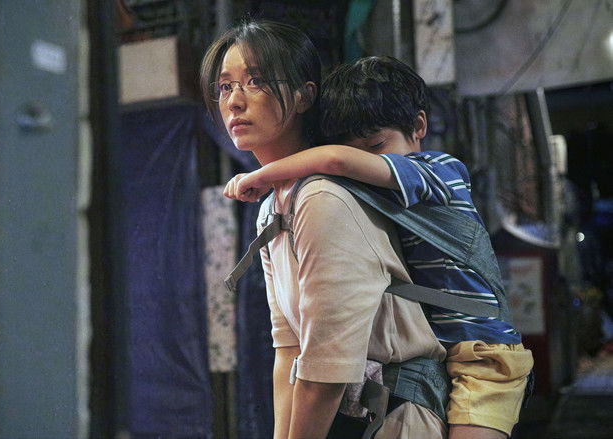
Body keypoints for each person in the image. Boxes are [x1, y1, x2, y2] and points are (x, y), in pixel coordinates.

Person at [224, 56, 535, 439]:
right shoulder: (363, 200)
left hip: (484, 357)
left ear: (419, 126)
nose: (365, 164)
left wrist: (261, 176)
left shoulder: (438, 171)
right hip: (442, 357)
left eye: (375, 146)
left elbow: (337, 160)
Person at [202, 21, 450, 438]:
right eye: (225, 87)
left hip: (396, 419)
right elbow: (289, 349)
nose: (235, 101)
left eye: (256, 81)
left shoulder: (322, 198)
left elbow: (326, 375)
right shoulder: (272, 208)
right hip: (351, 420)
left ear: (304, 95)